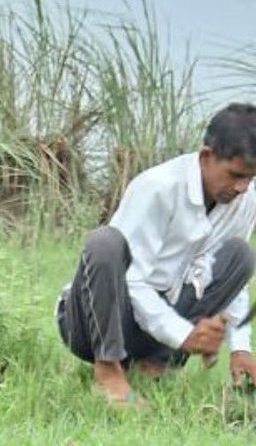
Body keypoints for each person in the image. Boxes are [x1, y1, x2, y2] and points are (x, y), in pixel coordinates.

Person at [56, 104, 256, 405]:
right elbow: (132, 281)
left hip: (158, 323)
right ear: (205, 157)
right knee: (104, 243)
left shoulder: (243, 200)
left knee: (240, 255)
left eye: (251, 178)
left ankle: (155, 365)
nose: (241, 187)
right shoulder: (157, 187)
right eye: (235, 175)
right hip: (95, 322)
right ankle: (108, 369)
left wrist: (241, 347)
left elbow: (231, 280)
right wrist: (183, 335)